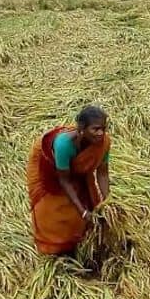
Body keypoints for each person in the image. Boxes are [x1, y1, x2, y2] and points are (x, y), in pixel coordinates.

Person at [26, 105, 111, 256]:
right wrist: (83, 212)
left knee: (86, 200)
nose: (101, 133)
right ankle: (52, 247)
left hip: (70, 166)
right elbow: (64, 181)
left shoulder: (103, 143)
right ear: (82, 129)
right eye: (95, 129)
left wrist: (108, 202)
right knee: (55, 209)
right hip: (52, 166)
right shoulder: (64, 145)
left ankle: (79, 240)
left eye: (103, 128)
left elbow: (102, 173)